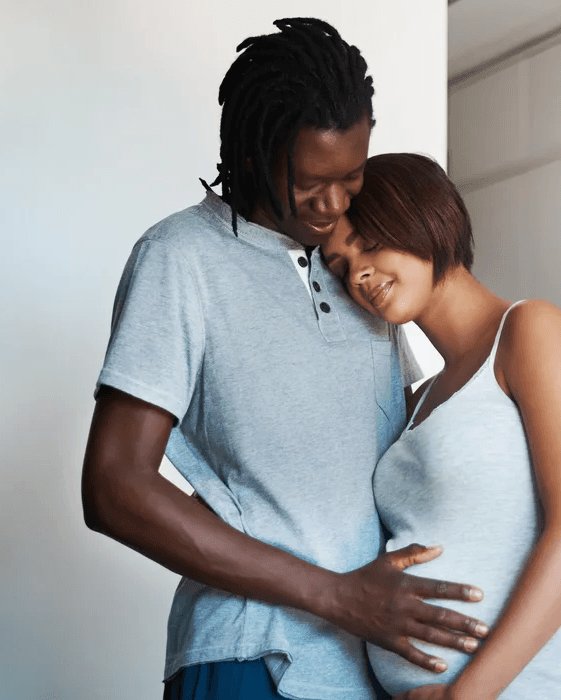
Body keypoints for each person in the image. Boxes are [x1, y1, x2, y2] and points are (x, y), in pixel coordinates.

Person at [81, 19, 491, 700]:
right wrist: (334, 596)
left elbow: (437, 447)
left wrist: (555, 554)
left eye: (351, 177)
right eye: (307, 183)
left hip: (374, 665)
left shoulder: (361, 269)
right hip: (252, 657)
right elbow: (114, 486)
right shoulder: (181, 258)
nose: (332, 206)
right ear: (250, 156)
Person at [320, 153, 561, 699]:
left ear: (422, 217)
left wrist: (465, 696)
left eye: (367, 243)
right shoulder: (413, 401)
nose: (358, 275)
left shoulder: (530, 331)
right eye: (341, 267)